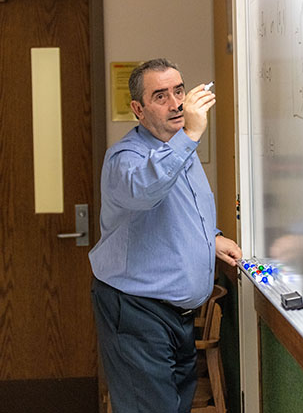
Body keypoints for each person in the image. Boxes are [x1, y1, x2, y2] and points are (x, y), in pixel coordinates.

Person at [89, 58, 242, 413]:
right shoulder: (125, 158)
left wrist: (212, 238)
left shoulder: (180, 151)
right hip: (135, 309)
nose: (176, 103)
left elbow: (183, 211)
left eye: (179, 91)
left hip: (178, 314)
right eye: (161, 96)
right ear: (138, 110)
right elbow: (145, 191)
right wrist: (190, 134)